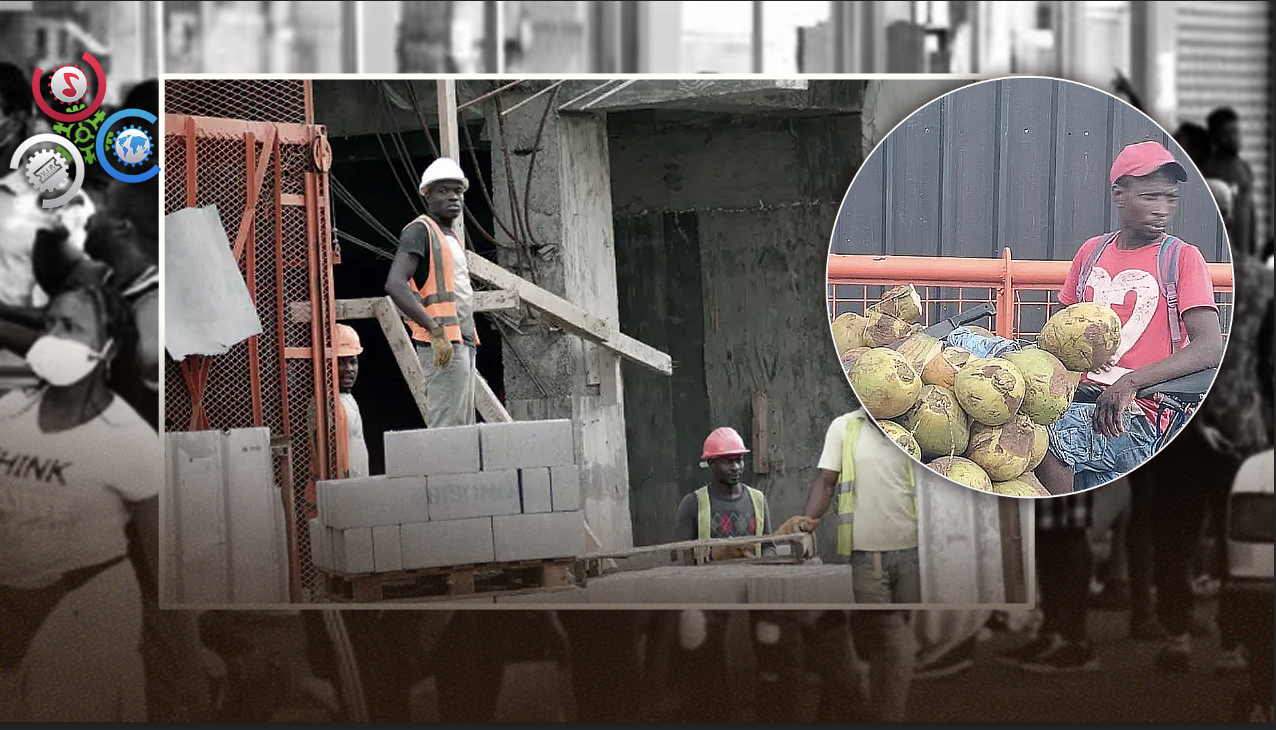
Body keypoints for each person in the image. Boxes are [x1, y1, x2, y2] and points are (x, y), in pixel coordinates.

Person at [0, 282, 159, 721]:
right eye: (49, 324)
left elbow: (164, 568)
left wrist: (189, 667)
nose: (53, 337)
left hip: (87, 600)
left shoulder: (129, 441)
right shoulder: (9, 410)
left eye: (69, 327)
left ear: (106, 349)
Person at [1035, 141, 1224, 495]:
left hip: (1142, 413)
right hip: (1083, 403)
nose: (1162, 209)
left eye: (1170, 198)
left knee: (1046, 440)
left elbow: (1210, 348)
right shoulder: (1091, 252)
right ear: (1119, 194)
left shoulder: (1182, 258)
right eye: (1151, 197)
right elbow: (1059, 335)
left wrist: (1131, 383)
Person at [665, 427, 807, 722]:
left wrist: (768, 561)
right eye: (728, 461)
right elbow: (677, 556)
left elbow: (766, 547)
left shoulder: (757, 499)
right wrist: (718, 555)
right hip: (709, 590)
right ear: (712, 464)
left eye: (739, 460)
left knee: (771, 637)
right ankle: (714, 711)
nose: (736, 467)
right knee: (700, 641)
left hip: (752, 585)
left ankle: (771, 711)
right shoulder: (693, 504)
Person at [798, 406, 921, 720]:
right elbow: (826, 482)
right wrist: (807, 521)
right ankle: (858, 698)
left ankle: (866, 703)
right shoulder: (845, 428)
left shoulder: (913, 426)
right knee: (885, 633)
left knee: (891, 633)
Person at [385, 157, 479, 429]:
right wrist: (434, 330)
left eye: (458, 191)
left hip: (462, 340)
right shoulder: (419, 230)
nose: (453, 197)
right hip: (443, 341)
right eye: (443, 191)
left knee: (461, 424)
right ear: (427, 195)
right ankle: (443, 472)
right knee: (447, 425)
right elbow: (395, 285)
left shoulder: (450, 236)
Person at [1199, 107, 1256, 258]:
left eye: (1236, 132)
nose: (1235, 138)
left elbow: (1248, 212)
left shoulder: (1243, 168)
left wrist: (1250, 250)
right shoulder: (1208, 170)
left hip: (1244, 254)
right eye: (1228, 133)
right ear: (1216, 137)